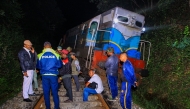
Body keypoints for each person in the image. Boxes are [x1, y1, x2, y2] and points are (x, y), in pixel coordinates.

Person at [36, 42, 62, 109]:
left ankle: (48, 107)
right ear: (51, 47)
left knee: (46, 92)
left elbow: (38, 66)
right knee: (55, 92)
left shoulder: (40, 55)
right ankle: (56, 107)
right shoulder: (56, 55)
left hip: (44, 75)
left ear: (44, 47)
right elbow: (60, 65)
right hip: (53, 75)